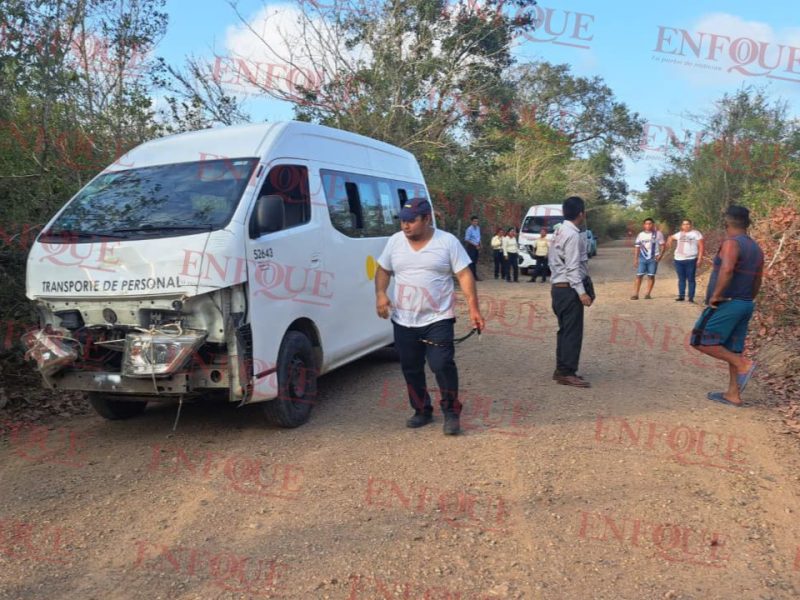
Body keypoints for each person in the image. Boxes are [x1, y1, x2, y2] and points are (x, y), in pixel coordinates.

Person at [375, 198, 486, 435]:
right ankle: (422, 410)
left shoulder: (446, 242)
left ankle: (451, 412)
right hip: (404, 320)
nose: (405, 226)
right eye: (403, 221)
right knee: (411, 368)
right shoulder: (395, 242)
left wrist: (474, 309)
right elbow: (383, 269)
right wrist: (380, 294)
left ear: (426, 219)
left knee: (441, 364)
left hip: (438, 318)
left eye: (411, 221)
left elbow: (464, 275)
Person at [690, 205, 763, 407]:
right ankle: (733, 394)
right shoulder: (756, 247)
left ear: (727, 222)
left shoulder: (731, 243)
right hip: (745, 303)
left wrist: (717, 295)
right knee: (732, 348)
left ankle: (743, 365)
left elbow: (728, 269)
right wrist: (747, 299)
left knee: (700, 340)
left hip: (728, 302)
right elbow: (758, 278)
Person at [549, 196, 594, 388]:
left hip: (558, 288)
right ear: (581, 214)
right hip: (568, 290)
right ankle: (567, 372)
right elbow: (572, 267)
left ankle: (562, 369)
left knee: (565, 331)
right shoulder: (573, 235)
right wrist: (582, 292)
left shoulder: (559, 231)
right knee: (572, 332)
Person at [665, 219, 704, 302]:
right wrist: (670, 241)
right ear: (681, 226)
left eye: (688, 224)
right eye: (684, 224)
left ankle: (691, 297)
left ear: (691, 225)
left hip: (691, 259)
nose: (686, 226)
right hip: (678, 260)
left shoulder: (696, 233)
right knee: (681, 279)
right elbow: (671, 237)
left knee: (691, 279)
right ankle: (681, 296)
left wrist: (700, 258)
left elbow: (701, 246)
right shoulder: (679, 234)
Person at [631, 218, 665, 300]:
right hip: (642, 257)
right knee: (639, 275)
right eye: (646, 224)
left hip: (653, 258)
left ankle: (648, 294)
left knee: (651, 276)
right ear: (644, 225)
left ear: (653, 224)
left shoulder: (658, 234)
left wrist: (660, 255)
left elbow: (663, 245)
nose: (648, 225)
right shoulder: (640, 235)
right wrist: (636, 259)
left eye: (650, 223)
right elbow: (637, 247)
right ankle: (635, 294)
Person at [464, 216, 481, 281]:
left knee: (475, 262)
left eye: (477, 221)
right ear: (471, 222)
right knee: (471, 262)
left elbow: (478, 237)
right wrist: (475, 245)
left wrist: (480, 244)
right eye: (474, 221)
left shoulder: (478, 228)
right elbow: (466, 239)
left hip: (477, 246)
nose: (476, 222)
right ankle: (471, 277)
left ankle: (475, 276)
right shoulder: (469, 229)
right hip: (471, 246)